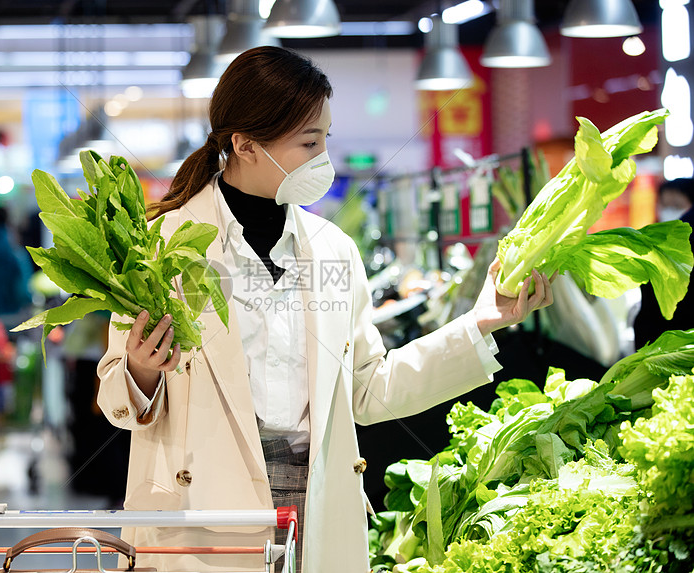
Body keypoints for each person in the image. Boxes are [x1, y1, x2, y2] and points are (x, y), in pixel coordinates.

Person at [96, 46, 554, 572]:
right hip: (199, 517)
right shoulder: (161, 248)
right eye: (308, 142)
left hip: (315, 499)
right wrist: (139, 369)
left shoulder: (333, 248)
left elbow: (368, 387)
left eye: (324, 141)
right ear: (244, 144)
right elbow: (116, 396)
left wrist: (481, 323)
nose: (322, 159)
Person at [634, 178, 694, 348]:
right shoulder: (657, 241)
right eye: (665, 205)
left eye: (676, 205)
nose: (669, 211)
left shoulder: (683, 239)